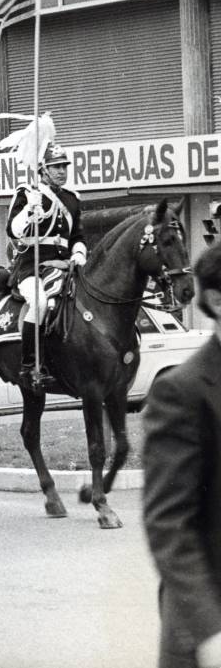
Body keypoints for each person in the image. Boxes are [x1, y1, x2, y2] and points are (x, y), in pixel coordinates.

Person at [144, 242, 221, 668]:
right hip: (207, 624)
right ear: (216, 300)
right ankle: (33, 360)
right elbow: (169, 525)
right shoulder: (182, 391)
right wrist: (211, 630)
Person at [1, 113, 86, 390]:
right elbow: (12, 231)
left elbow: (77, 235)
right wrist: (29, 211)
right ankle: (29, 364)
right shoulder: (28, 192)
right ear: (43, 168)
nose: (62, 171)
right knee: (39, 302)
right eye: (56, 166)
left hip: (64, 266)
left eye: (64, 166)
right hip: (32, 266)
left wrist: (79, 253)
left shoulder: (72, 199)